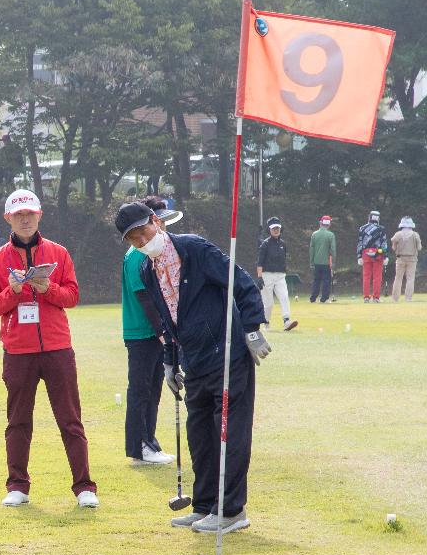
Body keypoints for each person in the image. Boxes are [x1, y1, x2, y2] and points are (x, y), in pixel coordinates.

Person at [120, 201, 269, 534]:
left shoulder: (193, 249)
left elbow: (240, 282)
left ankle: (231, 510)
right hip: (193, 361)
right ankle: (204, 506)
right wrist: (170, 362)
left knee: (229, 433)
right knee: (199, 436)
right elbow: (169, 318)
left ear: (156, 221)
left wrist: (253, 327)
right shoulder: (147, 269)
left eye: (143, 233)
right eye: (133, 240)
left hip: (227, 355)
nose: (142, 242)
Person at [0, 189, 97, 508]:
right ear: (8, 218)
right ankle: (17, 485)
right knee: (18, 420)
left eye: (30, 214)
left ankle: (84, 486)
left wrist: (48, 288)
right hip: (18, 351)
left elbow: (72, 297)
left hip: (58, 348)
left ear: (39, 216)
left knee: (70, 419)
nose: (25, 219)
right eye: (18, 215)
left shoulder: (59, 253)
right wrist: (14, 291)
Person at [118, 196, 179, 466]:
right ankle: (140, 446)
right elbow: (145, 298)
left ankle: (149, 443)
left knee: (153, 389)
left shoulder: (154, 252)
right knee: (141, 390)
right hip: (142, 333)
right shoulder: (136, 256)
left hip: (154, 333)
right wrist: (163, 333)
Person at [256, 217, 297, 331]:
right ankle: (266, 322)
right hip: (267, 275)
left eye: (277, 228)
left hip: (280, 275)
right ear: (269, 230)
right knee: (269, 304)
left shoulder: (283, 244)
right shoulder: (265, 244)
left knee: (284, 297)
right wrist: (260, 277)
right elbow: (260, 262)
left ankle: (286, 321)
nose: (276, 230)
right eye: (274, 228)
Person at [356, 210, 388, 302]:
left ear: (369, 217)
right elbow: (384, 243)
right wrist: (385, 256)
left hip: (365, 253)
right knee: (377, 277)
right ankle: (376, 298)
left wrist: (359, 256)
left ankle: (366, 297)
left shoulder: (362, 228)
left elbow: (360, 243)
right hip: (378, 253)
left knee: (366, 276)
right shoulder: (381, 228)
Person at [389, 216, 423, 302]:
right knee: (410, 279)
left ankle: (395, 298)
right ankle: (408, 298)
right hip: (412, 259)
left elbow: (393, 247)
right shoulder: (415, 235)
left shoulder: (397, 234)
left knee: (398, 278)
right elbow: (419, 248)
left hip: (400, 258)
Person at [309, 215, 336, 303]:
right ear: (329, 224)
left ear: (320, 223)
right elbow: (333, 250)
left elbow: (311, 249)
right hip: (326, 262)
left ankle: (313, 298)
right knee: (326, 280)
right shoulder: (331, 235)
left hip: (316, 262)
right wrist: (333, 263)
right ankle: (324, 298)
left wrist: (311, 262)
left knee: (316, 280)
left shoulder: (314, 234)